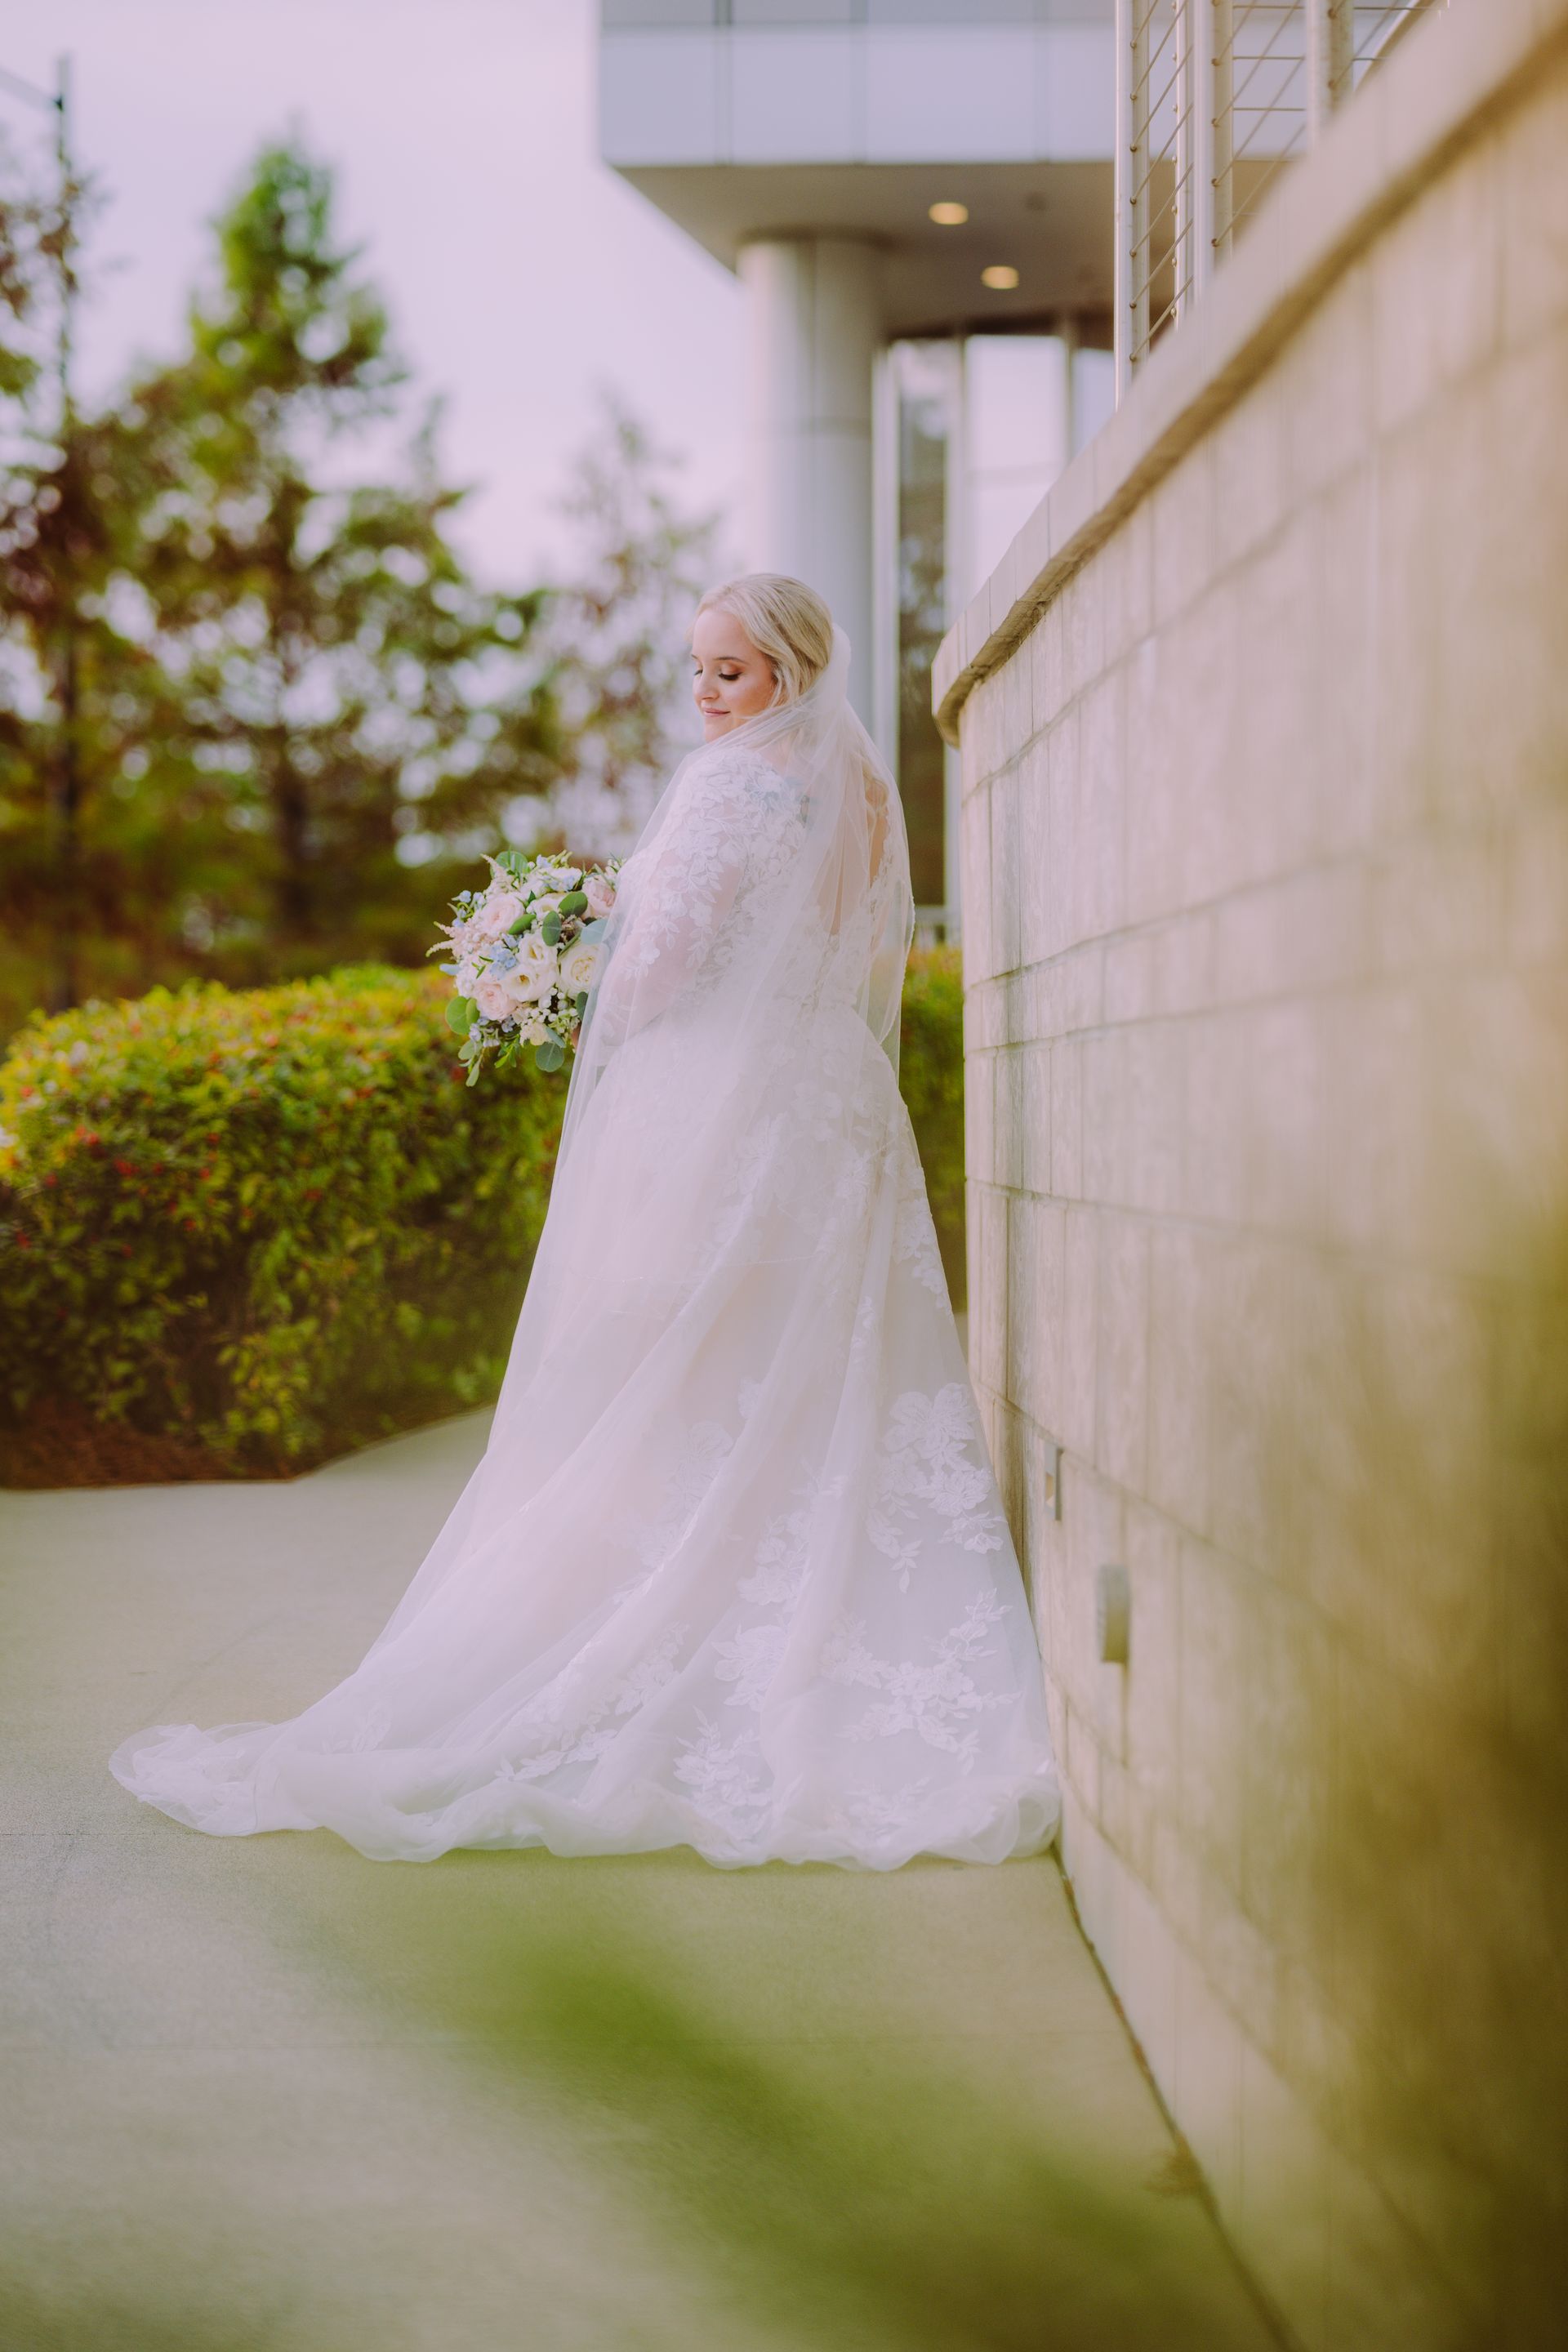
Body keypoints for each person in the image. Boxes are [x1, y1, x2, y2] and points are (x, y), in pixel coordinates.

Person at [111, 574, 1060, 1869]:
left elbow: (663, 969)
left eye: (729, 671)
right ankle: (781, 1619)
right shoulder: (870, 794)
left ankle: (668, 1627)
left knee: (665, 1379)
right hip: (831, 1102)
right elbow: (839, 940)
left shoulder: (731, 788)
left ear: (789, 671)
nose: (706, 695)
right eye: (696, 670)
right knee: (805, 1374)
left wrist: (564, 960)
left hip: (720, 1110)